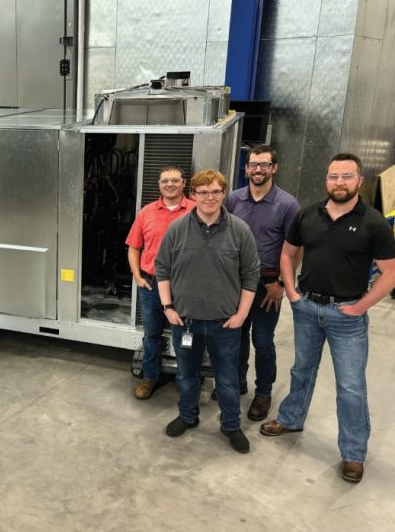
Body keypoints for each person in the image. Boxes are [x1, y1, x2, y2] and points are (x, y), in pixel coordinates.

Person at [260, 152, 395, 483]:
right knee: (301, 370)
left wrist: (361, 307)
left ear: (359, 180)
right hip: (307, 307)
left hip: (347, 316)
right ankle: (291, 419)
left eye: (347, 176)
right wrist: (292, 291)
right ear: (326, 180)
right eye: (334, 176)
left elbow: (390, 273)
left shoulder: (374, 223)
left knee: (350, 385)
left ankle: (353, 453)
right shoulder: (308, 215)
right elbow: (288, 254)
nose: (339, 182)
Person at [155, 169, 260, 453]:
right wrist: (167, 307)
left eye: (215, 191)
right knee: (186, 375)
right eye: (203, 192)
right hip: (185, 321)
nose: (209, 197)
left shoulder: (240, 230)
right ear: (194, 194)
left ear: (224, 193)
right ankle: (187, 416)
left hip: (225, 324)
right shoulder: (177, 229)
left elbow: (251, 275)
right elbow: (162, 269)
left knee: (227, 379)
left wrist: (241, 315)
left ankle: (231, 425)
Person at [224, 145, 300, 420]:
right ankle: (237, 381)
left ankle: (263, 393)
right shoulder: (233, 200)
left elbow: (296, 248)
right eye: (253, 164)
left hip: (269, 284)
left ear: (274, 168)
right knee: (236, 334)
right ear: (246, 168)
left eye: (264, 165)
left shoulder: (288, 205)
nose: (258, 170)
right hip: (236, 282)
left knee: (263, 340)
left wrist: (281, 283)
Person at [126, 165, 194, 399]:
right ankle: (149, 377)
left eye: (175, 180)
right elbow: (133, 247)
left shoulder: (196, 211)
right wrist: (137, 276)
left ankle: (187, 382)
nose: (170, 184)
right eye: (165, 181)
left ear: (184, 183)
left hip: (184, 287)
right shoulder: (146, 212)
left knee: (184, 336)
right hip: (151, 285)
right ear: (159, 184)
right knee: (151, 336)